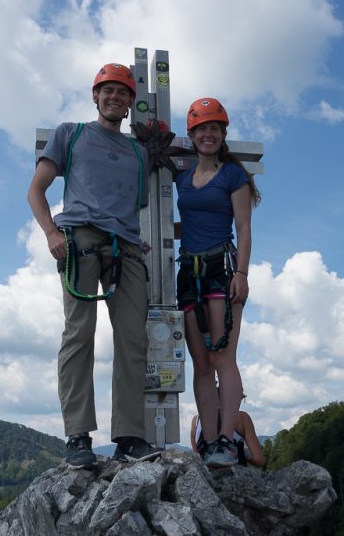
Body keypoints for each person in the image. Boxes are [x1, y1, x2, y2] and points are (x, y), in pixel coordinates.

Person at [27, 63, 157, 468]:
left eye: (123, 93)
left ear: (131, 103)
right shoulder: (72, 133)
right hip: (78, 239)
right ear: (95, 96)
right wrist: (51, 233)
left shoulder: (139, 153)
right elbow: (36, 190)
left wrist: (136, 240)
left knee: (134, 338)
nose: (115, 98)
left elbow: (129, 206)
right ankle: (78, 437)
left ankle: (130, 436)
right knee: (79, 333)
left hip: (126, 249)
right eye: (108, 91)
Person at [176, 98, 260, 467]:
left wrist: (241, 273)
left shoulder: (232, 175)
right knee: (201, 363)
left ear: (223, 134)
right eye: (201, 129)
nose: (208, 135)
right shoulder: (182, 177)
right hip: (189, 272)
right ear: (191, 136)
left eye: (214, 128)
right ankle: (209, 441)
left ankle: (227, 439)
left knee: (223, 358)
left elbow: (244, 228)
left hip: (221, 269)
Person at [190, 404, 266, 468]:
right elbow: (259, 460)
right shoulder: (241, 417)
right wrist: (243, 452)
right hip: (234, 475)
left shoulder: (196, 421)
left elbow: (197, 457)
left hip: (207, 477)